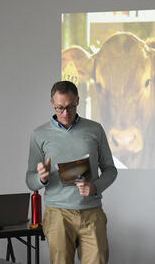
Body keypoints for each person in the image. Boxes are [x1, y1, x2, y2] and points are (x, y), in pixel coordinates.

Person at [26, 81, 117, 264]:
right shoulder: (39, 134)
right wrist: (41, 178)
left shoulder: (95, 129)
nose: (65, 113)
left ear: (77, 101)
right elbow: (30, 180)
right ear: (52, 102)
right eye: (60, 108)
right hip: (58, 215)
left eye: (70, 107)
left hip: (91, 212)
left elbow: (110, 170)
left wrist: (94, 187)